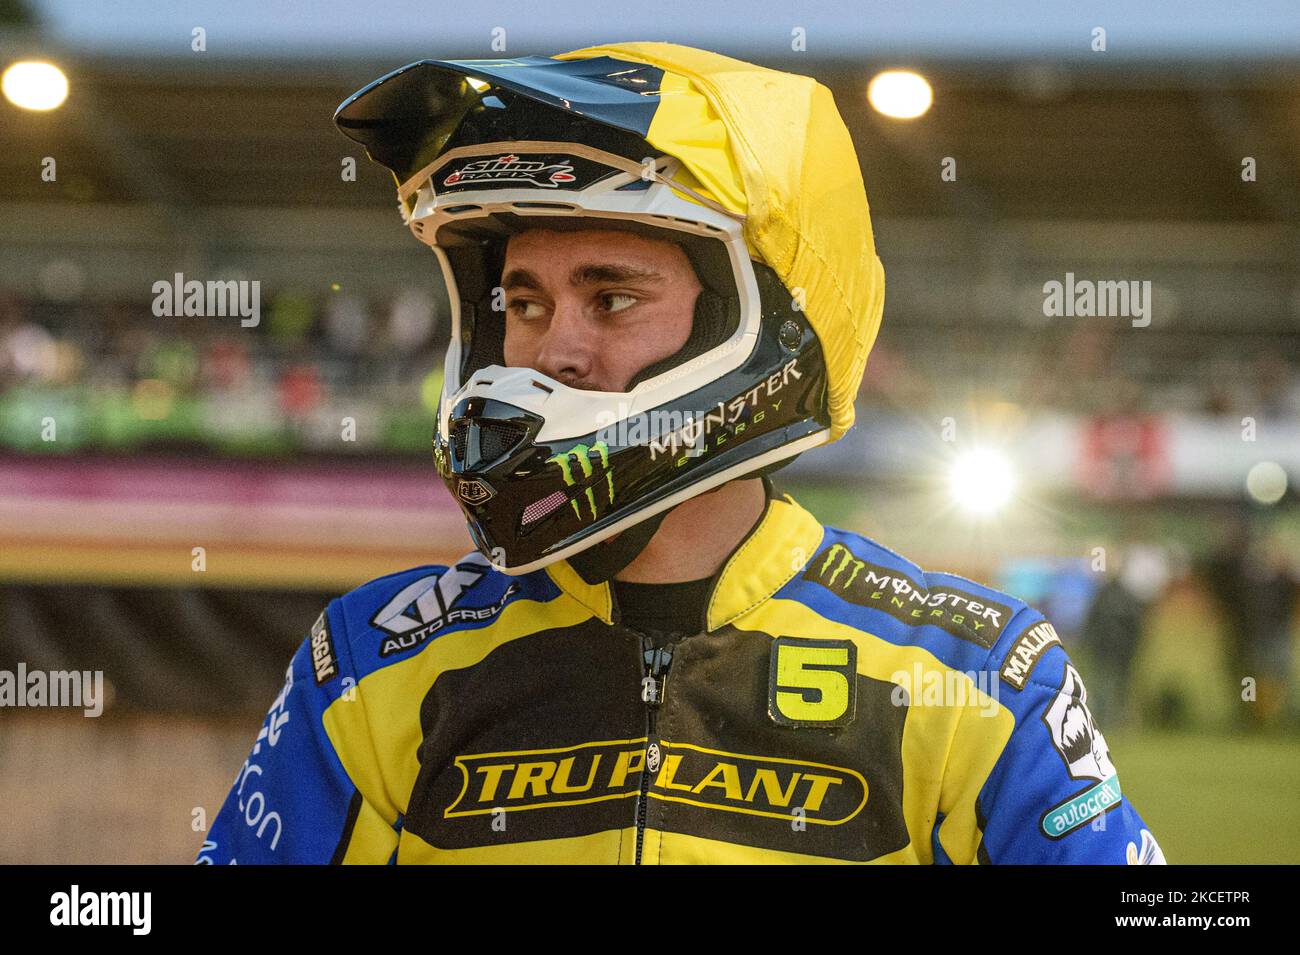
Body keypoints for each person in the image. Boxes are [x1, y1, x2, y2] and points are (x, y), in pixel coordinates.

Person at [198, 42, 1163, 864]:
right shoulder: (372, 661)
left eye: (610, 299)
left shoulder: (973, 671)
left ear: (764, 326)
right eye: (524, 303)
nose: (551, 347)